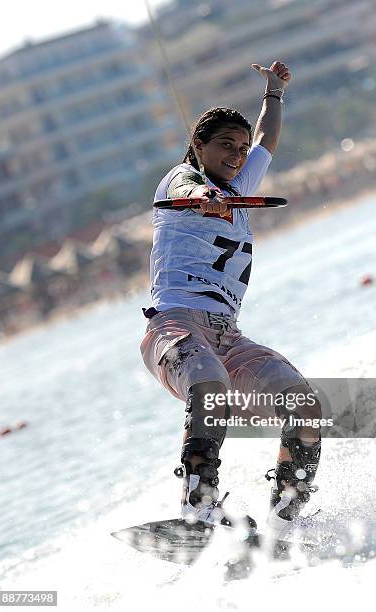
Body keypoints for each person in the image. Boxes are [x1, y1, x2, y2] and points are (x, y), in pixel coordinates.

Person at [140, 60, 321, 541]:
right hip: (175, 327)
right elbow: (185, 185)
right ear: (199, 146)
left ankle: (286, 524)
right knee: (208, 380)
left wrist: (274, 92)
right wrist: (204, 195)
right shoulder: (179, 179)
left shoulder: (240, 186)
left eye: (239, 150)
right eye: (225, 146)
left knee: (304, 406)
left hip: (227, 334)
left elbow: (266, 141)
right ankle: (198, 508)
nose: (237, 156)